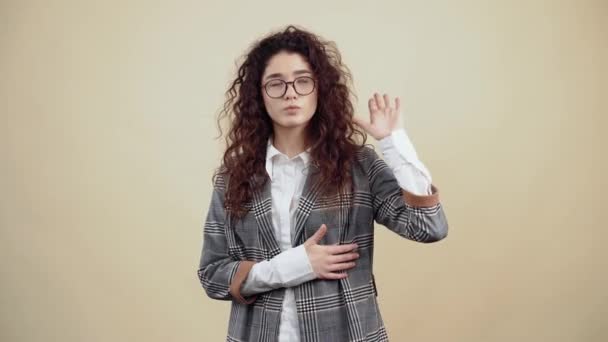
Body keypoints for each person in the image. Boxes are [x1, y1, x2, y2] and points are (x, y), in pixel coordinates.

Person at [197, 25, 448, 342]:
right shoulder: (233, 176)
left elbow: (428, 227)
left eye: (303, 81)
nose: (290, 92)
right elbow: (212, 275)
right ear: (258, 96)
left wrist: (393, 142)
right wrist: (290, 266)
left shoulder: (358, 165)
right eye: (276, 84)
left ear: (320, 89)